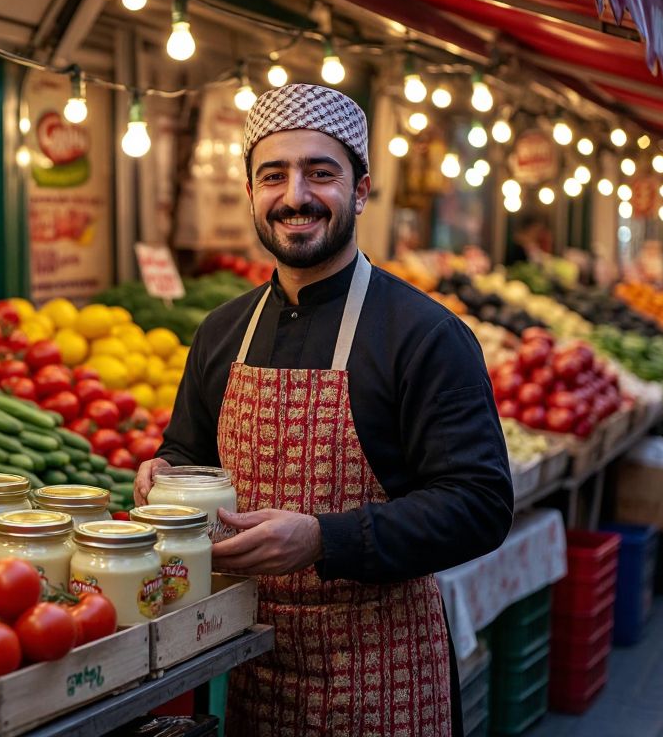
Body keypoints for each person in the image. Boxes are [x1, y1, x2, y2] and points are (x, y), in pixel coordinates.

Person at [136, 83, 513, 736]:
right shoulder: (221, 332)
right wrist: (163, 471)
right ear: (252, 193)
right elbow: (189, 453)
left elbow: (478, 504)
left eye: (321, 173)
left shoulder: (424, 335)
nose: (296, 196)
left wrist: (322, 538)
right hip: (249, 668)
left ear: (360, 190)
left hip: (380, 677)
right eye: (273, 175)